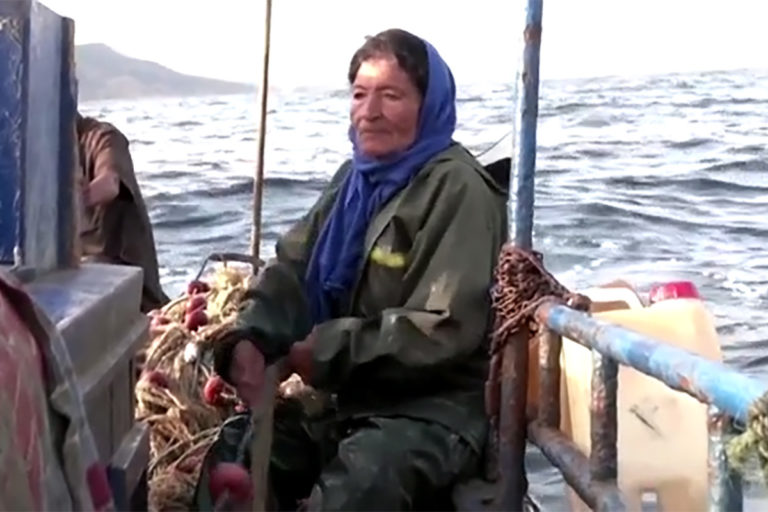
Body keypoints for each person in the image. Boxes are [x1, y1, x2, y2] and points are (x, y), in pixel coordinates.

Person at [211, 28, 508, 510]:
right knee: (234, 451)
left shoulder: (459, 189)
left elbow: (444, 327)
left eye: (391, 96)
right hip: (344, 404)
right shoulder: (353, 180)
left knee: (362, 482)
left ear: (427, 105)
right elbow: (293, 269)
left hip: (431, 413)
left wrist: (327, 351)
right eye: (360, 94)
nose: (370, 112)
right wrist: (249, 338)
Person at [77, 113, 169, 313]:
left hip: (136, 297)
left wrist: (65, 210)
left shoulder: (102, 137)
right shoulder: (41, 156)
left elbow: (109, 184)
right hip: (80, 290)